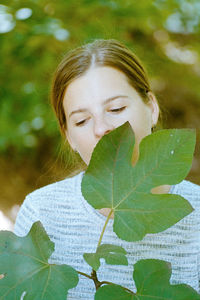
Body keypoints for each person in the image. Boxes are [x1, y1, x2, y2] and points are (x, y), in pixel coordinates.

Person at [14, 39, 200, 299]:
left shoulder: (197, 212)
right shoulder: (41, 212)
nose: (102, 129)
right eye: (82, 120)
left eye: (116, 108)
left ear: (152, 107)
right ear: (69, 137)